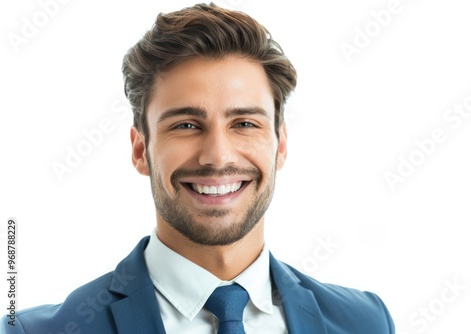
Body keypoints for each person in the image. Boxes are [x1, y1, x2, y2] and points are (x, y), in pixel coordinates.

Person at [3, 3, 395, 333]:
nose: (218, 156)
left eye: (244, 123)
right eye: (186, 125)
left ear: (281, 145)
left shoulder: (365, 322)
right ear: (141, 150)